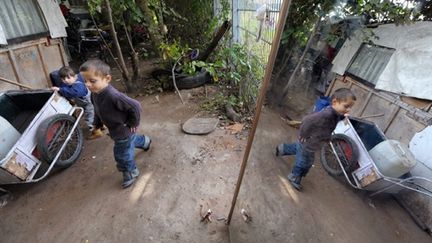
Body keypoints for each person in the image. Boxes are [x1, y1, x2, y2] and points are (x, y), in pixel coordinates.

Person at [79, 59, 152, 188]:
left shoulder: (113, 96)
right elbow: (97, 111)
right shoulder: (95, 94)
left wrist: (132, 123)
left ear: (107, 78)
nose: (88, 85)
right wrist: (97, 124)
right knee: (129, 142)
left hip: (123, 130)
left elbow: (135, 106)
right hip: (117, 130)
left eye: (92, 81)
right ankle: (145, 141)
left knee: (122, 154)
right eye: (85, 81)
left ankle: (130, 172)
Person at [275, 88, 357, 191]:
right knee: (305, 161)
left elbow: (335, 119)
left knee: (300, 149)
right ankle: (294, 176)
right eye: (346, 106)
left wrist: (342, 117)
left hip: (314, 141)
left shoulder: (334, 113)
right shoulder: (327, 114)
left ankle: (283, 148)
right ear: (335, 102)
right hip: (310, 141)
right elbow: (307, 120)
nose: (348, 110)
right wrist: (303, 135)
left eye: (350, 107)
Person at [50, 66, 103, 140]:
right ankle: (101, 126)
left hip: (88, 104)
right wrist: (59, 89)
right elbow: (66, 87)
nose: (66, 80)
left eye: (68, 78)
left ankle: (97, 132)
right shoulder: (71, 84)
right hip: (86, 103)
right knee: (95, 115)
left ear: (75, 77)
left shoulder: (78, 85)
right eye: (63, 79)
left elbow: (73, 92)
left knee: (90, 118)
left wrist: (59, 89)